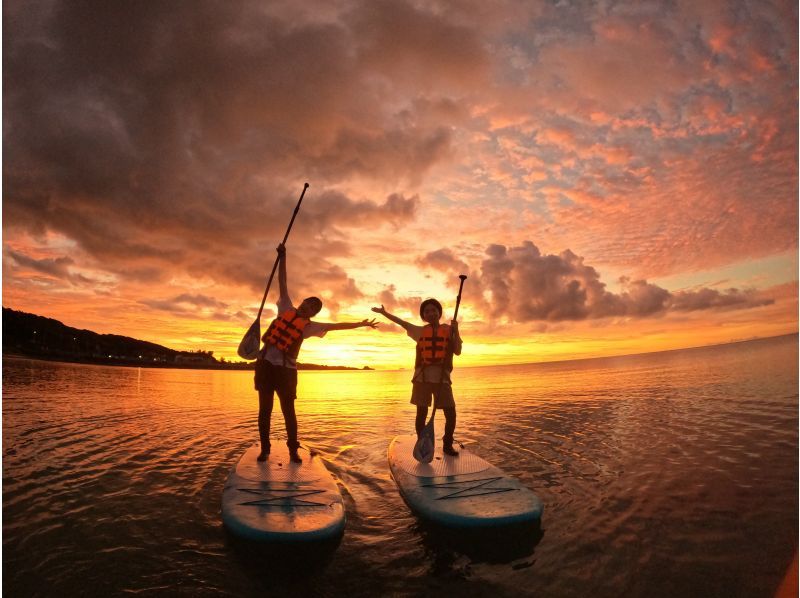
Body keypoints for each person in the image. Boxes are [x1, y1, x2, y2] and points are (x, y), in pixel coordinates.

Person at [255, 243, 377, 463]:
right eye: (306, 303)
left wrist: (360, 324)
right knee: (265, 410)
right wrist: (283, 256)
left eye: (312, 307)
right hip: (265, 365)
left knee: (288, 411)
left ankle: (293, 450)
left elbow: (336, 326)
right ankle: (265, 449)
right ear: (301, 302)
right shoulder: (285, 308)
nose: (306, 307)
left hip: (286, 371)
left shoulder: (310, 327)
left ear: (314, 313)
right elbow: (282, 282)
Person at [371, 298, 463, 456]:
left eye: (433, 310)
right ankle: (422, 444)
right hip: (422, 380)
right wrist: (384, 313)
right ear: (423, 316)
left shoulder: (449, 330)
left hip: (442, 380)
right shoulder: (419, 331)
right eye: (427, 311)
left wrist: (456, 330)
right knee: (421, 414)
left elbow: (457, 351)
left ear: (439, 312)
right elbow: (401, 322)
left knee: (451, 414)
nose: (431, 313)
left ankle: (447, 444)